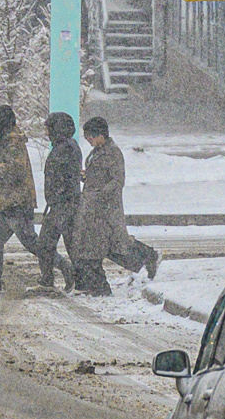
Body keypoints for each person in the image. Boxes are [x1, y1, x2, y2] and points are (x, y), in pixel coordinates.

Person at [0, 104, 55, 291]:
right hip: (6, 203)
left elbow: (15, 170)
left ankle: (65, 268)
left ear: (3, 123)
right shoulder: (5, 140)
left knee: (32, 243)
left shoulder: (13, 142)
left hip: (17, 203)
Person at [77, 115, 157, 282]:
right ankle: (145, 261)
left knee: (117, 242)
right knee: (110, 243)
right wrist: (87, 177)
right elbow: (99, 175)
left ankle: (149, 257)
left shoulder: (112, 152)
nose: (89, 141)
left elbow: (117, 180)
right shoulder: (97, 152)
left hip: (107, 207)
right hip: (95, 206)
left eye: (90, 137)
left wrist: (100, 194)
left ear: (101, 135)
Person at [38, 111, 84, 291]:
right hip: (61, 204)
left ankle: (53, 279)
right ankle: (70, 277)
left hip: (63, 205)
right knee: (62, 245)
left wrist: (58, 197)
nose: (47, 133)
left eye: (49, 128)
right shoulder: (64, 146)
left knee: (48, 244)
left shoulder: (66, 149)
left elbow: (65, 178)